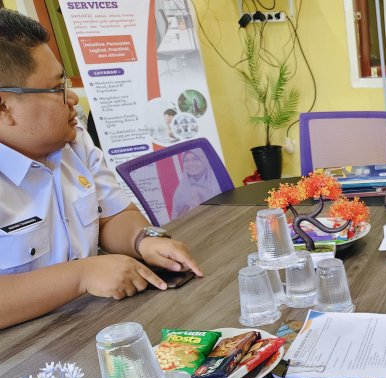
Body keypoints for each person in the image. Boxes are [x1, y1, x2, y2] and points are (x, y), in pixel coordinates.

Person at [0, 9, 202, 329]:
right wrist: (82, 275)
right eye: (56, 89)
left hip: (96, 323)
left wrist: (143, 240)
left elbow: (113, 215)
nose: (72, 98)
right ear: (4, 108)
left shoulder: (73, 141)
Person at [170, 148, 222, 218]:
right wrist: (189, 210)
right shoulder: (181, 190)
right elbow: (175, 220)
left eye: (195, 159)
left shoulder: (219, 184)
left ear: (204, 160)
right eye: (186, 160)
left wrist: (200, 206)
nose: (190, 164)